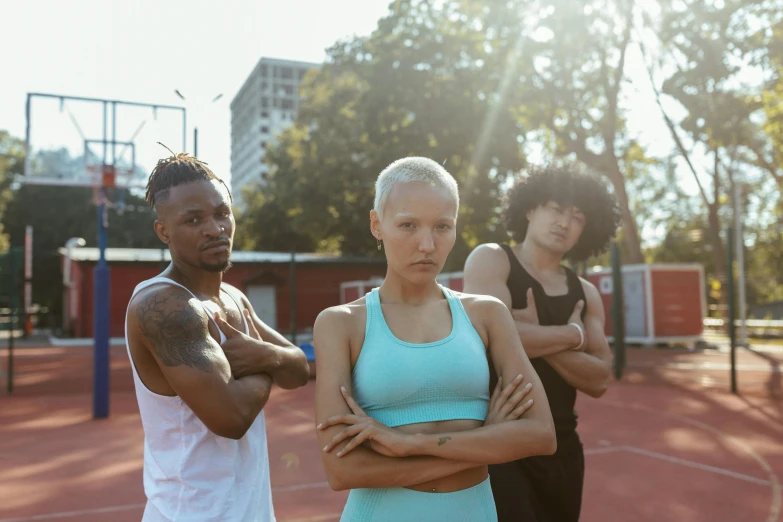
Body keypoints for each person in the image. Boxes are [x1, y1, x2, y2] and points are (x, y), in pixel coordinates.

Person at [313, 157, 557, 522]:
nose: (427, 244)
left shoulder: (487, 314)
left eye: (442, 226)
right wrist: (488, 441)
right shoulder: (341, 324)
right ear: (377, 224)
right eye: (408, 225)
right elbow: (343, 471)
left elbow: (540, 435)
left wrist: (411, 445)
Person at [124, 151, 310, 521]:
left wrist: (265, 358)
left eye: (222, 213)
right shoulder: (164, 306)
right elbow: (233, 418)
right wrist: (267, 359)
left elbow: (299, 368)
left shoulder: (232, 298)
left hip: (252, 511)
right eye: (194, 219)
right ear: (164, 231)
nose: (215, 228)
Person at [463, 164, 621, 522]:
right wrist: (572, 335)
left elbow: (599, 379)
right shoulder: (491, 259)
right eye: (555, 208)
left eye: (577, 216)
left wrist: (530, 335)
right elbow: (492, 338)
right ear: (531, 208)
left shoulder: (586, 293)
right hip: (501, 438)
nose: (564, 222)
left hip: (563, 446)